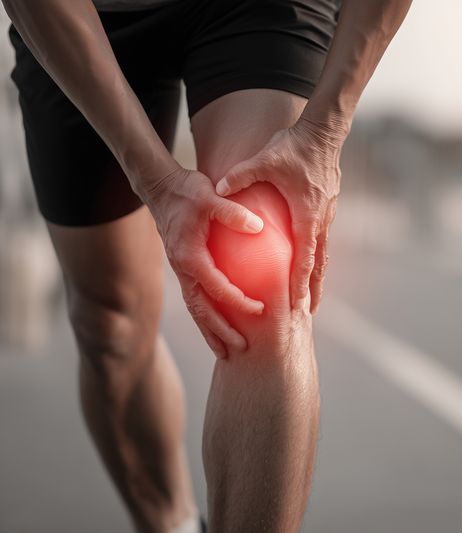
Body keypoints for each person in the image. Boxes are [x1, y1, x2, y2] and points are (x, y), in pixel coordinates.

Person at [2, 0, 411, 531]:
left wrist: (325, 131)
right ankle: (172, 522)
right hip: (94, 13)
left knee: (263, 271)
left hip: (255, 9)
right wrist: (157, 182)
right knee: (110, 325)